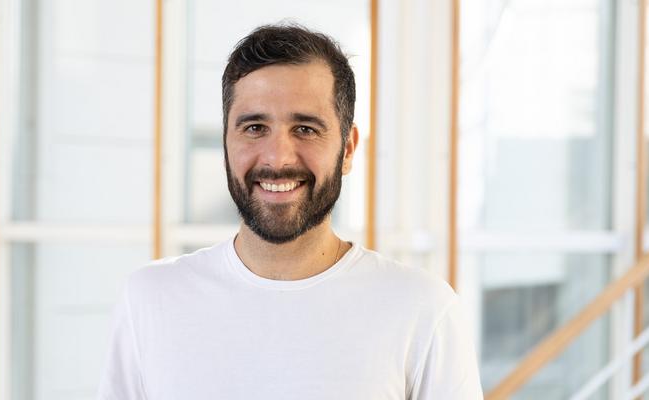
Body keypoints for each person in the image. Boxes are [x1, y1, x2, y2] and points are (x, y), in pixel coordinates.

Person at [97, 23, 483, 400]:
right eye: (254, 127)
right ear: (226, 143)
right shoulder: (150, 299)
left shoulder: (423, 309)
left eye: (306, 129)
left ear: (347, 149)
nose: (277, 158)